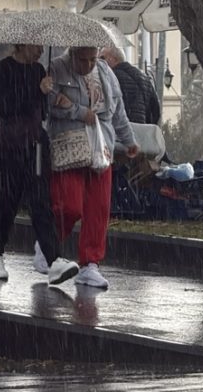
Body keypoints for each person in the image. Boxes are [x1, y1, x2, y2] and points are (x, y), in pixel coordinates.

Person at [0, 44, 80, 285]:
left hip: (35, 145)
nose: (39, 51)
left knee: (40, 202)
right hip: (8, 145)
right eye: (35, 46)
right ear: (22, 44)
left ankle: (54, 258)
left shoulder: (39, 70)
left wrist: (49, 94)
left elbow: (40, 112)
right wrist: (35, 89)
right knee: (7, 201)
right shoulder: (3, 70)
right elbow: (5, 105)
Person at [45, 46, 139, 289]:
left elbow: (118, 112)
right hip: (71, 145)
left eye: (92, 59)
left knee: (98, 208)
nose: (88, 65)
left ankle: (90, 264)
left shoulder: (106, 72)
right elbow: (50, 104)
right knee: (69, 204)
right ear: (73, 54)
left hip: (101, 146)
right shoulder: (56, 67)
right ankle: (48, 244)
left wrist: (128, 140)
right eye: (83, 59)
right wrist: (79, 112)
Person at [100, 46, 161, 125]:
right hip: (142, 131)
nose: (99, 62)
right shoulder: (144, 78)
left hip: (122, 130)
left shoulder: (111, 78)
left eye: (102, 58)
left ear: (113, 59)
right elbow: (156, 110)